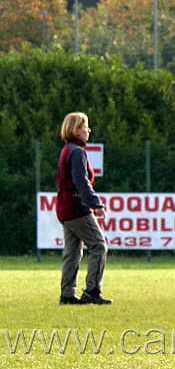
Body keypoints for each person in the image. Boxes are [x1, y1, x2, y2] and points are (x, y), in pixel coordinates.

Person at [56, 112, 112, 305]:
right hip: (76, 206)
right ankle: (92, 291)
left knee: (72, 252)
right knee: (99, 245)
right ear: (76, 129)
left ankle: (67, 294)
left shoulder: (67, 149)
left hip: (64, 207)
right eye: (85, 126)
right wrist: (95, 204)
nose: (88, 130)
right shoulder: (77, 152)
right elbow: (82, 181)